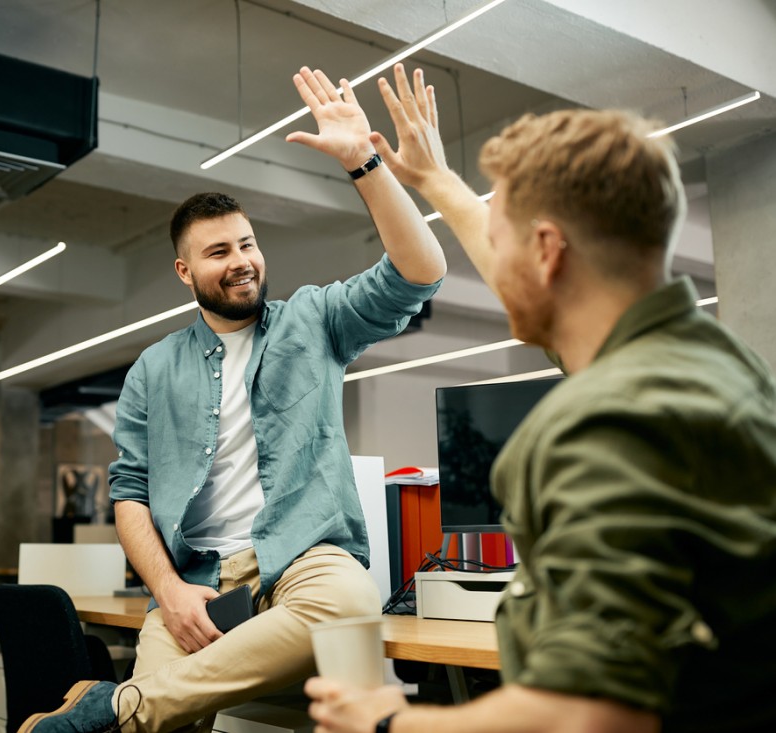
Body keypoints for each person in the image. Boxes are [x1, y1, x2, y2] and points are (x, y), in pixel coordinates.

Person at [305, 64, 776, 733]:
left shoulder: (607, 422)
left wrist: (387, 722)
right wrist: (436, 181)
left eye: (502, 244)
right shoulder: (713, 363)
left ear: (548, 251)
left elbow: (590, 713)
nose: (496, 266)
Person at [19, 66, 447, 733]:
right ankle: (131, 707)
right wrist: (167, 590)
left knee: (349, 606)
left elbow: (419, 272)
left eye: (247, 243)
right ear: (185, 272)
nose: (242, 260)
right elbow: (129, 490)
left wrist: (363, 161)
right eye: (219, 251)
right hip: (200, 581)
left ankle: (113, 703)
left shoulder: (314, 320)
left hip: (307, 556)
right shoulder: (153, 369)